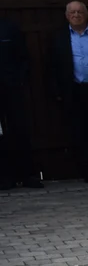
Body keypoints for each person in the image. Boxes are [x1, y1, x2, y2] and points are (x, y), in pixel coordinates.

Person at [50, 1, 88, 183]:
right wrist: (57, 91)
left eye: (80, 12)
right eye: (72, 12)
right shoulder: (58, 37)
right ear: (67, 16)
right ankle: (86, 170)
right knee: (78, 132)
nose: (76, 15)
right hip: (73, 91)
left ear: (87, 14)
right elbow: (51, 67)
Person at [0, 17, 40, 190]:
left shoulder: (9, 28)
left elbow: (23, 56)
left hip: (12, 88)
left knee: (20, 129)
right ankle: (4, 177)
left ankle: (27, 174)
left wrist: (18, 79)